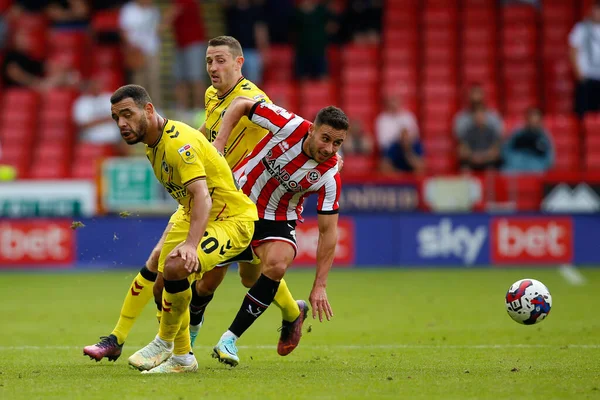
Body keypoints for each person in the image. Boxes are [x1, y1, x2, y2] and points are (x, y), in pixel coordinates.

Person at [83, 35, 304, 363]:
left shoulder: (254, 98)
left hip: (239, 196)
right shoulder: (212, 95)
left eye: (220, 61)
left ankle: (176, 348)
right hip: (208, 189)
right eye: (208, 62)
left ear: (239, 63)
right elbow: (208, 133)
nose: (213, 68)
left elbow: (290, 129)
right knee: (175, 266)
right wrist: (193, 148)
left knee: (221, 273)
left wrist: (322, 157)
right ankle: (130, 339)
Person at [107, 84, 258, 374]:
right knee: (161, 286)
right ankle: (183, 358)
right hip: (194, 213)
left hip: (231, 219)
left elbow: (202, 195)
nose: (122, 124)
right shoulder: (153, 143)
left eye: (127, 114)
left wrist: (190, 244)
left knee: (178, 265)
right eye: (116, 118)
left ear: (148, 110)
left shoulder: (179, 144)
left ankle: (163, 342)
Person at [210, 97, 347, 367]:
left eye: (337, 143)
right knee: (235, 281)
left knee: (276, 265)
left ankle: (229, 339)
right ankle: (292, 311)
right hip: (238, 203)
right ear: (311, 129)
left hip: (278, 218)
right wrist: (218, 144)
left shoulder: (329, 174)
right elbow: (240, 104)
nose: (330, 149)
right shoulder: (288, 125)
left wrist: (320, 285)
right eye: (325, 138)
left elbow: (329, 233)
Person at [569, 0, 600, 118]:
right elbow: (573, 50)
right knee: (583, 112)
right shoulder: (581, 28)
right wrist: (579, 73)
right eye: (596, 10)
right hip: (586, 77)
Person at [502, 107, 554, 173]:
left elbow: (549, 160)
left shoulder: (545, 137)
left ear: (540, 121)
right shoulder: (517, 133)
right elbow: (506, 151)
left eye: (536, 121)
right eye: (531, 120)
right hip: (515, 166)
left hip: (536, 168)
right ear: (527, 120)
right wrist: (515, 160)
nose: (533, 123)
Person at [458, 105, 502, 171]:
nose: (479, 117)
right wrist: (473, 156)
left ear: (485, 116)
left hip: (487, 161)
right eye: (477, 115)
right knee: (464, 167)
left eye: (481, 115)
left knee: (493, 166)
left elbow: (496, 151)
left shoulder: (491, 131)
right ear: (473, 117)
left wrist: (483, 157)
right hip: (472, 161)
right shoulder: (468, 132)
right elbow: (462, 150)